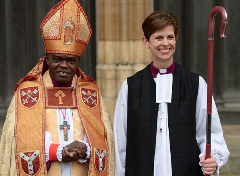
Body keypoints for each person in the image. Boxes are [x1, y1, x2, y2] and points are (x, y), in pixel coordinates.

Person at [0, 0, 114, 175]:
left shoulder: (90, 92)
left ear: (78, 63)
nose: (64, 65)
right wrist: (58, 151)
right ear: (47, 59)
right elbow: (18, 141)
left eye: (70, 61)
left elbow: (104, 139)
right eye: (57, 59)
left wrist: (85, 149)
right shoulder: (28, 92)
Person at [114, 11, 229, 176]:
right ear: (146, 41)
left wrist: (212, 159)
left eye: (170, 37)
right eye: (158, 38)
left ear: (176, 39)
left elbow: (210, 133)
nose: (165, 43)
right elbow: (120, 141)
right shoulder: (130, 87)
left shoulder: (196, 84)